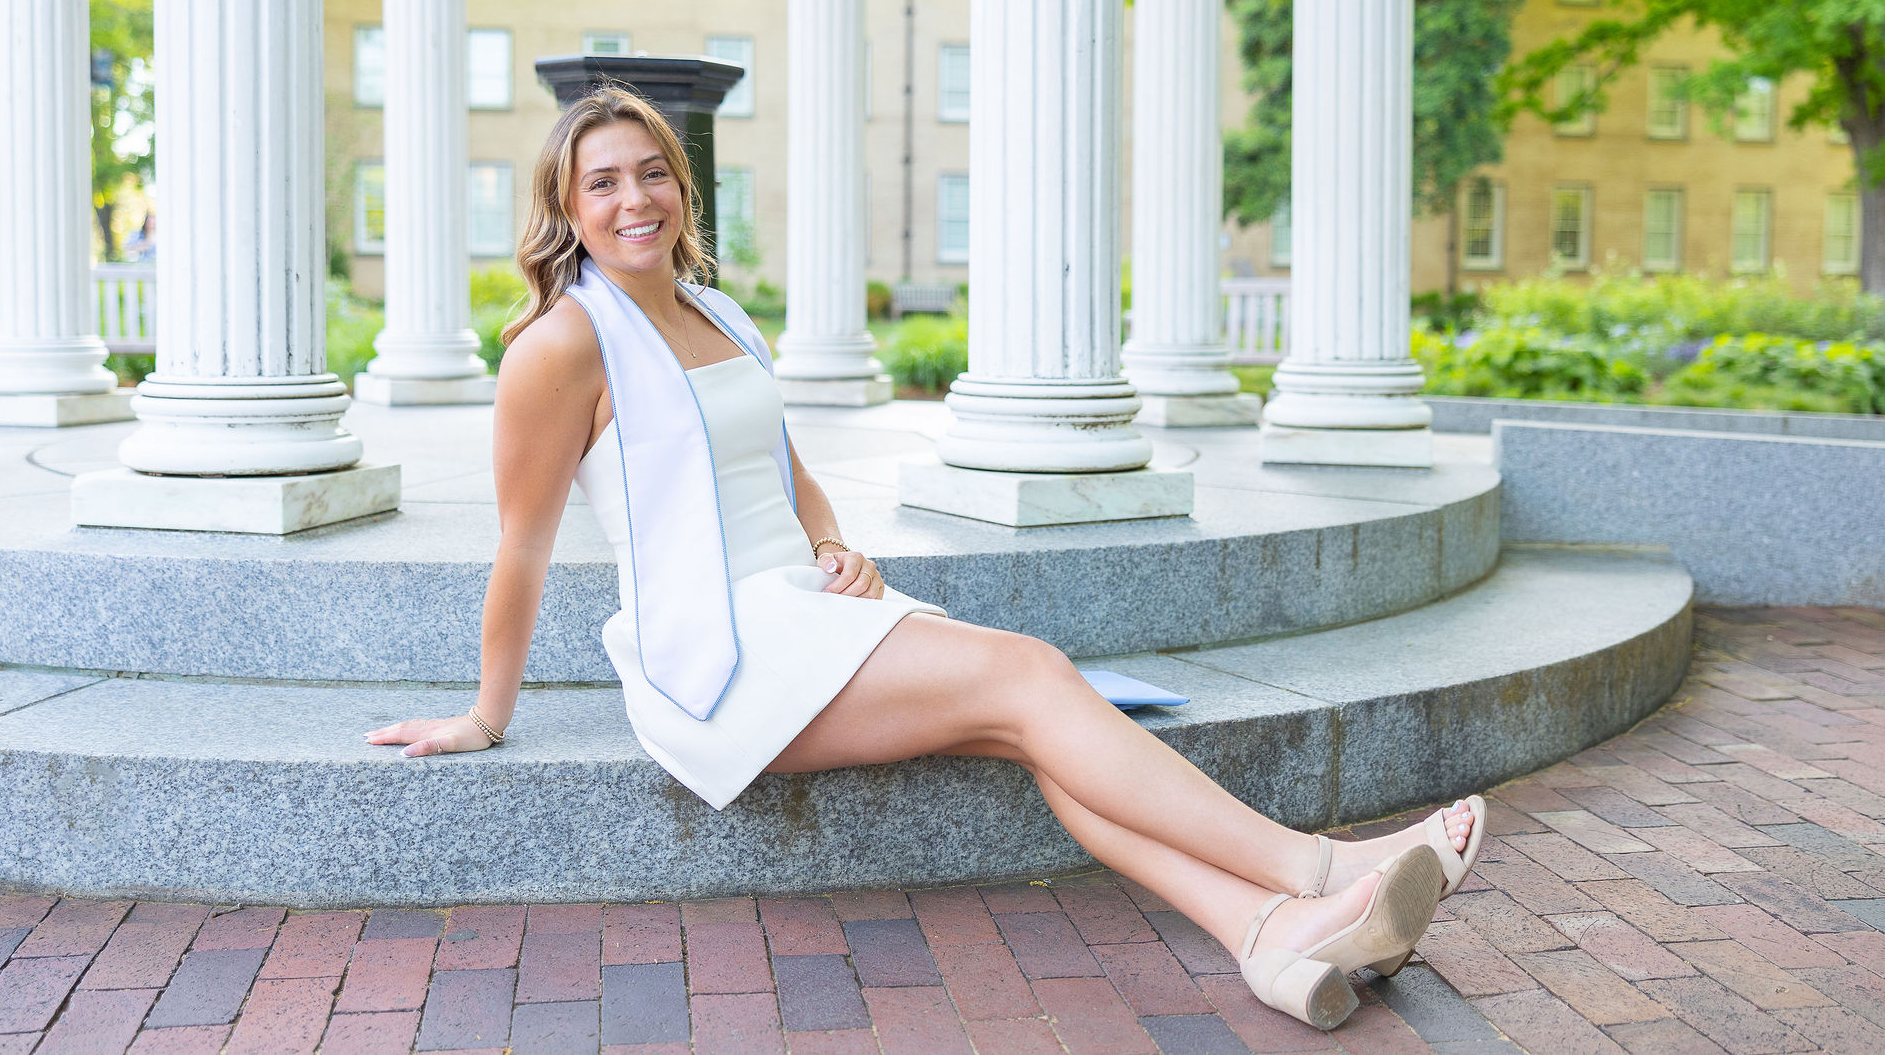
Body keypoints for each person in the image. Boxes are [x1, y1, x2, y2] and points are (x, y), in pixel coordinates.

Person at [367, 88, 1486, 1031]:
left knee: (1027, 722)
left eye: (650, 173)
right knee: (1031, 677)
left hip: (803, 607)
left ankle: (1268, 938)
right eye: (602, 182)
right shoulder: (561, 343)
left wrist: (832, 544)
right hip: (716, 656)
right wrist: (486, 714)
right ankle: (1315, 872)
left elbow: (783, 463)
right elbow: (521, 541)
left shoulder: (715, 311)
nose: (632, 200)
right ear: (566, 207)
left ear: (681, 186)